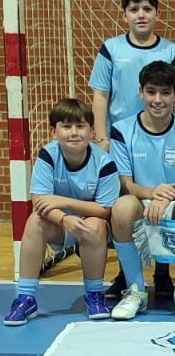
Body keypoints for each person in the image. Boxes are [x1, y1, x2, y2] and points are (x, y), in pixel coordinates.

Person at [89, 0, 175, 298]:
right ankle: (128, 275)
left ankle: (163, 274)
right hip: (123, 140)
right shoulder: (111, 49)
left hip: (165, 137)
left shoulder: (172, 51)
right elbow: (100, 95)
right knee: (125, 205)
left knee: (167, 203)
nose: (141, 15)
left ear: (157, 13)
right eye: (134, 9)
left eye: (147, 9)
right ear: (124, 15)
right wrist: (102, 137)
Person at [3, 99, 120, 326]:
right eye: (66, 126)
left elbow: (105, 209)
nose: (74, 132)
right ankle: (26, 297)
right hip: (60, 224)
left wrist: (66, 203)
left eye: (80, 126)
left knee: (95, 225)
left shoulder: (104, 162)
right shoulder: (48, 155)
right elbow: (39, 201)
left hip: (92, 227)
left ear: (92, 132)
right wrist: (64, 219)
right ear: (54, 132)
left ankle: (94, 295)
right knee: (35, 221)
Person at [108, 61, 175, 320]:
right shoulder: (122, 130)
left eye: (165, 93)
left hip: (174, 201)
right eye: (151, 92)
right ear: (141, 92)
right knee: (122, 206)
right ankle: (135, 290)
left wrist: (164, 197)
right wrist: (154, 193)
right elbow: (126, 184)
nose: (158, 100)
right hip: (140, 199)